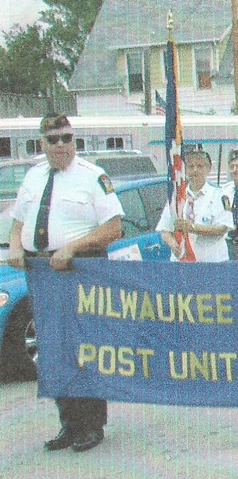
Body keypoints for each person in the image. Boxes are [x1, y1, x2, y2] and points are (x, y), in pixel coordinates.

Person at [8, 113, 124, 452]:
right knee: (53, 350)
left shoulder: (93, 177)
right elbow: (18, 222)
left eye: (67, 138)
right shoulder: (32, 176)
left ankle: (91, 425)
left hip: (80, 269)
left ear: (75, 141)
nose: (61, 145)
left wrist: (72, 247)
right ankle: (69, 424)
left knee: (84, 348)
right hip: (42, 273)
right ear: (41, 143)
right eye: (53, 138)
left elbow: (113, 228)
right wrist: (15, 246)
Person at [156, 149, 233, 262]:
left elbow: (222, 229)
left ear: (208, 168)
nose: (195, 170)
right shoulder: (177, 197)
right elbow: (164, 229)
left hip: (211, 262)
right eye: (191, 166)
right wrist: (173, 244)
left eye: (200, 166)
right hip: (182, 263)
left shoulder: (220, 196)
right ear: (185, 169)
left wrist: (191, 227)